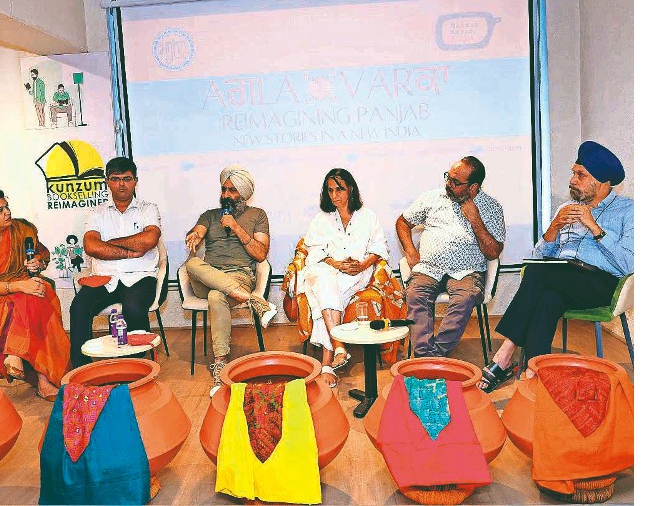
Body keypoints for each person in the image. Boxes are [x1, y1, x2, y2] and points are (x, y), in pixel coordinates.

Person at [479, 141, 634, 392]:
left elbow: (629, 263)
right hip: (559, 279)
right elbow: (538, 256)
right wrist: (553, 229)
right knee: (548, 297)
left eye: (581, 175)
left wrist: (595, 228)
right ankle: (535, 373)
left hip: (601, 284)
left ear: (603, 182)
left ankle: (505, 353)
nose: (572, 180)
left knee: (539, 275)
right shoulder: (565, 209)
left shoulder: (628, 211)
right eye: (573, 173)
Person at [0, 184, 69, 400]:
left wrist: (38, 263)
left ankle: (16, 355)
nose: (7, 213)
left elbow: (42, 254)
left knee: (37, 294)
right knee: (30, 298)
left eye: (7, 207)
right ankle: (42, 380)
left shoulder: (21, 230)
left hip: (21, 286)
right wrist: (20, 286)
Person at [181, 165, 279, 396]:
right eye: (224, 189)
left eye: (232, 190)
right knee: (192, 263)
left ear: (244, 194)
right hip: (208, 277)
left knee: (217, 296)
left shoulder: (258, 215)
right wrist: (194, 235)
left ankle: (220, 364)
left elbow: (260, 254)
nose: (226, 195)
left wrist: (236, 228)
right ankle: (255, 302)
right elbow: (197, 231)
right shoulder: (210, 215)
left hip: (239, 275)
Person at [396, 156, 506, 358]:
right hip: (429, 268)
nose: (448, 184)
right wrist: (410, 251)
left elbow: (493, 252)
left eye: (456, 182)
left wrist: (475, 219)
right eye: (448, 177)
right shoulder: (432, 198)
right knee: (415, 294)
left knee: (465, 298)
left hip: (467, 272)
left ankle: (434, 357)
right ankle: (426, 358)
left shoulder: (491, 207)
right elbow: (403, 222)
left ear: (473, 187)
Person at [295, 168, 389, 387]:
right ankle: (338, 347)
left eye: (339, 189)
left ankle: (328, 362)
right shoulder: (321, 219)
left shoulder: (368, 216)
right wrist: (335, 264)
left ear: (351, 190)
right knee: (324, 281)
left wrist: (362, 265)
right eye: (330, 190)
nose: (334, 195)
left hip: (356, 271)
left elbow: (379, 248)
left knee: (322, 295)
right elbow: (314, 250)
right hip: (326, 268)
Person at [69, 157, 162, 367]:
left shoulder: (148, 209)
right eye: (115, 179)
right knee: (79, 307)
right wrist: (129, 252)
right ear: (107, 181)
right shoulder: (96, 213)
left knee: (133, 307)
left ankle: (136, 365)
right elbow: (92, 246)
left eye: (127, 179)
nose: (121, 184)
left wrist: (109, 244)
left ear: (135, 181)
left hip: (140, 276)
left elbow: (149, 239)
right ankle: (82, 368)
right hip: (105, 277)